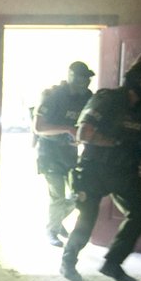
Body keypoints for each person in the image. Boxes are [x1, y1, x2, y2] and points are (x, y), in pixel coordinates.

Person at [59, 61, 141, 281]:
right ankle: (68, 261)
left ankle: (112, 263)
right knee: (87, 219)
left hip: (124, 171)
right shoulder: (107, 99)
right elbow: (84, 133)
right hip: (93, 169)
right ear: (140, 82)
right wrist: (117, 142)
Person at [33, 61, 95, 247]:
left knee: (79, 195)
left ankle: (56, 221)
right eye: (80, 77)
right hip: (50, 153)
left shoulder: (87, 98)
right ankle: (51, 230)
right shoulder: (54, 96)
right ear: (71, 76)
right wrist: (67, 129)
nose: (84, 82)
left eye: (87, 78)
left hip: (70, 153)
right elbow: (39, 127)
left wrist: (81, 135)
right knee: (57, 196)